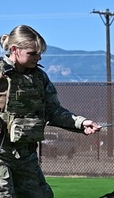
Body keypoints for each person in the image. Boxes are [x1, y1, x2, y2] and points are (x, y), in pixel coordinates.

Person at [0, 25, 101, 198]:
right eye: (33, 53)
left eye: (40, 54)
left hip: (25, 157)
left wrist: (82, 123)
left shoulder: (39, 78)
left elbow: (53, 111)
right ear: (15, 50)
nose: (38, 58)